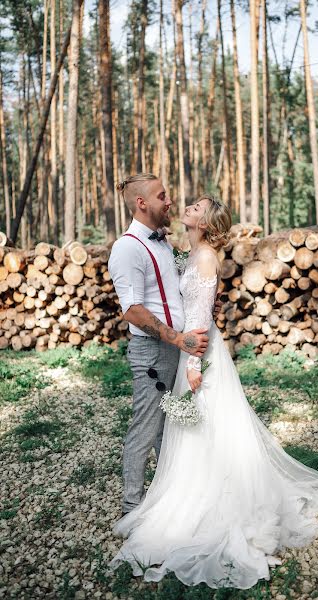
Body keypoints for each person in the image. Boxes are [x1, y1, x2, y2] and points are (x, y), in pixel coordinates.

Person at [110, 194, 318, 589]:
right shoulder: (193, 251)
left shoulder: (205, 258)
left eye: (196, 208)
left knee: (204, 426)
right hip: (193, 347)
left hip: (197, 351)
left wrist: (194, 364)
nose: (187, 208)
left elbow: (198, 315)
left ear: (207, 222)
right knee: (197, 427)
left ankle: (209, 498)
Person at [108, 174, 221, 516]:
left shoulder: (163, 243)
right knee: (146, 424)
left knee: (171, 424)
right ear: (142, 203)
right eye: (162, 196)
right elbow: (132, 310)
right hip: (155, 351)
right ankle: (132, 505)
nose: (170, 201)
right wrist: (178, 338)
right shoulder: (127, 247)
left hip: (176, 348)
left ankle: (167, 494)